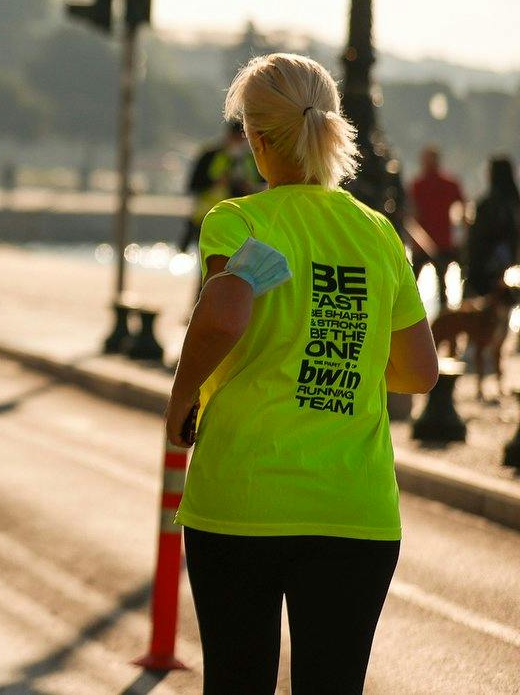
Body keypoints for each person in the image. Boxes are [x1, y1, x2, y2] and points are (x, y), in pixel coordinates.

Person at [165, 53, 438, 695]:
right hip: (355, 509)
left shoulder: (240, 220)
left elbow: (223, 318)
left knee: (237, 682)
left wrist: (181, 399)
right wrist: (340, 359)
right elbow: (420, 372)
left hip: (243, 498)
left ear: (256, 140)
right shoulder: (378, 235)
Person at [179, 121, 260, 253]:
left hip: (242, 222)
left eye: (243, 139)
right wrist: (216, 182)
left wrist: (249, 187)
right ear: (228, 136)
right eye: (236, 138)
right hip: (208, 219)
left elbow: (263, 187)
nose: (239, 143)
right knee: (211, 267)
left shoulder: (252, 158)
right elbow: (193, 185)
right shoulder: (210, 156)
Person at [406, 146, 464, 311]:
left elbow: (411, 213)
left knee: (417, 284)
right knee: (422, 283)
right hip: (430, 242)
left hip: (437, 242)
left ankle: (436, 321)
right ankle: (436, 320)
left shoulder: (421, 184)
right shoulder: (446, 183)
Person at [464, 156, 520, 302]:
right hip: (506, 264)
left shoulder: (489, 205)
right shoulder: (514, 202)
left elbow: (481, 237)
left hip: (486, 266)